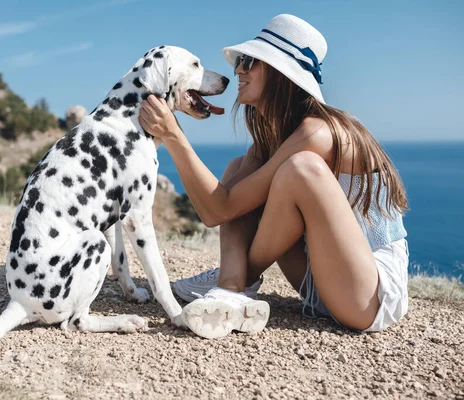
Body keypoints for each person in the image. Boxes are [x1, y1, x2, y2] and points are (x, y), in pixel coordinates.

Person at [138, 14, 409, 339]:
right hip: (318, 282)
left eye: (249, 62)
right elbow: (218, 209)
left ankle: (235, 279)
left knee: (301, 169)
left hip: (370, 294)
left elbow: (219, 211)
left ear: (281, 74)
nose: (238, 70)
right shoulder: (271, 140)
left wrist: (173, 136)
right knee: (239, 168)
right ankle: (233, 287)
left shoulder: (318, 133)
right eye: (241, 61)